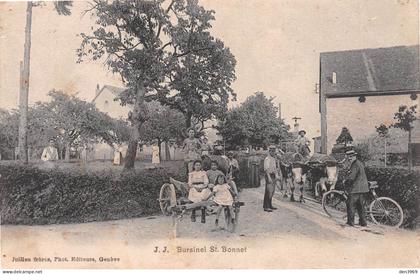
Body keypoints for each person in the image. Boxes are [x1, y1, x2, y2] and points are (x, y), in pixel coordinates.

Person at [344, 150, 369, 227]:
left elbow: (351, 178)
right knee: (360, 206)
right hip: (363, 188)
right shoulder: (359, 163)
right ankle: (363, 222)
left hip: (356, 188)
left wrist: (345, 182)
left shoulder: (355, 165)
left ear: (354, 156)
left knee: (350, 204)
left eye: (351, 157)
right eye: (349, 157)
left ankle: (350, 222)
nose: (349, 159)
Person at [263, 145, 282, 212]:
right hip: (269, 175)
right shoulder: (267, 159)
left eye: (274, 151)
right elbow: (266, 169)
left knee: (272, 191)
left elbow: (274, 168)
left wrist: (277, 175)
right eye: (272, 151)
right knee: (268, 191)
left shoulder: (273, 159)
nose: (273, 153)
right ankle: (266, 206)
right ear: (269, 151)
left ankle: (270, 205)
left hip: (273, 175)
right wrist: (269, 178)